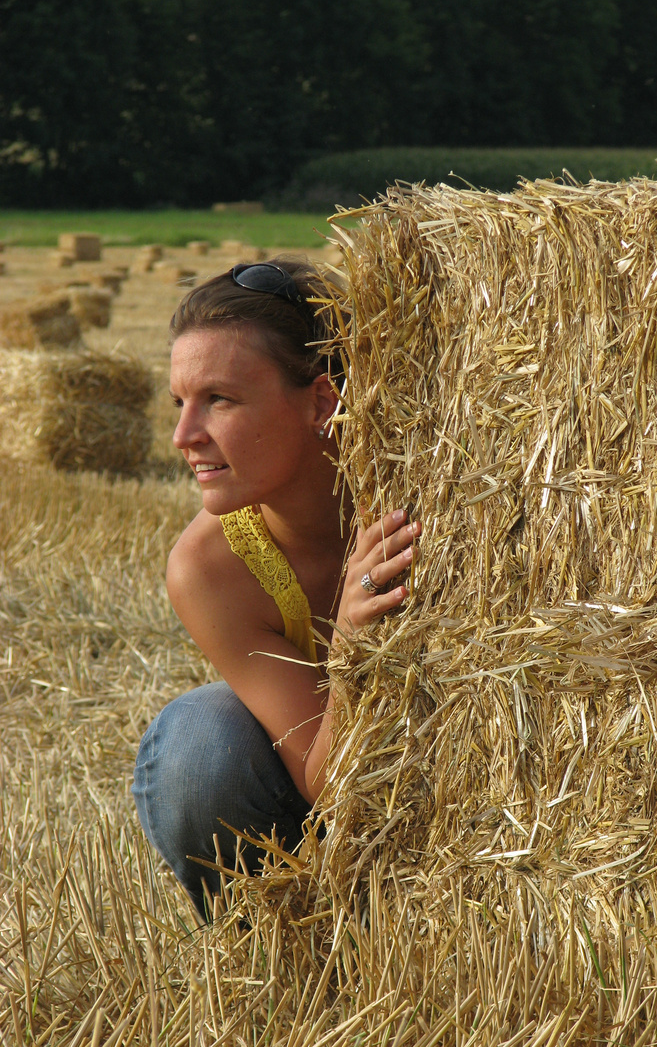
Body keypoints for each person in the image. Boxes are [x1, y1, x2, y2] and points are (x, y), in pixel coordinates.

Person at [132, 256, 420, 921]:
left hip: (449, 803)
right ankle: (277, 955)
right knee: (199, 743)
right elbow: (330, 788)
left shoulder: (431, 499)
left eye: (219, 400)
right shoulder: (210, 569)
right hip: (309, 818)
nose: (183, 437)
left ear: (322, 400)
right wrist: (353, 646)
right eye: (180, 403)